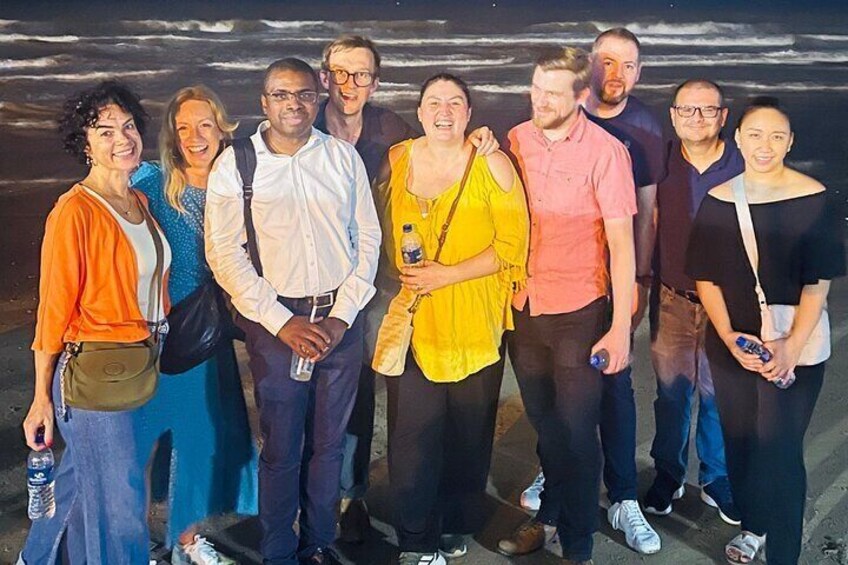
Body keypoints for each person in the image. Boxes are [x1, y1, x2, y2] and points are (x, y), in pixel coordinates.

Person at [314, 35, 501, 544]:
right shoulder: (304, 126)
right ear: (325, 77)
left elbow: (440, 149)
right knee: (340, 396)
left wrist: (479, 138)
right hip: (320, 280)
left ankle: (393, 499)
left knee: (389, 389)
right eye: (340, 73)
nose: (350, 84)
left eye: (361, 74)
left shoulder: (390, 130)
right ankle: (346, 497)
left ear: (375, 83)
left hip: (380, 285)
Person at [205, 58, 381, 565]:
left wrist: (342, 315)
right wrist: (282, 323)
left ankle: (318, 543)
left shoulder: (341, 157)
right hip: (276, 326)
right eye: (281, 95)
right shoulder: (237, 164)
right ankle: (279, 550)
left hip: (340, 324)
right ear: (265, 102)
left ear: (316, 99)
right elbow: (224, 252)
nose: (294, 104)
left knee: (329, 445)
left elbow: (367, 237)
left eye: (304, 94)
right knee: (282, 447)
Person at [375, 73, 528, 565]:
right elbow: (371, 224)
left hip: (474, 320)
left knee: (469, 430)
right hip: (414, 319)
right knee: (411, 434)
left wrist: (448, 274)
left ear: (469, 113)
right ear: (420, 112)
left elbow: (513, 247)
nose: (444, 111)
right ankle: (415, 540)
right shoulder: (398, 159)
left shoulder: (493, 163)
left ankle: (456, 521)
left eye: (455, 103)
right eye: (434, 102)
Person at [687, 97, 845, 565]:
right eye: (755, 134)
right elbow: (705, 277)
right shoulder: (719, 200)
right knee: (740, 444)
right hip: (734, 345)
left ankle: (784, 554)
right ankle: (754, 526)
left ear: (790, 142)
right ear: (738, 138)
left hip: (796, 345)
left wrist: (791, 347)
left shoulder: (815, 198)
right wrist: (730, 339)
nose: (765, 145)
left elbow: (818, 282)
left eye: (777, 136)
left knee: (779, 450)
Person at [19, 81, 171, 564]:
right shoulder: (75, 211)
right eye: (105, 131)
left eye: (127, 127)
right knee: (121, 506)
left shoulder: (139, 202)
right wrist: (40, 398)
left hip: (141, 361)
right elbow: (53, 311)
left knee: (81, 485)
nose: (121, 138)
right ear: (84, 144)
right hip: (95, 373)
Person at [497, 47, 634, 565]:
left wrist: (620, 328)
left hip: (579, 310)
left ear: (581, 96)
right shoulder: (516, 139)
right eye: (536, 89)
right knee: (546, 425)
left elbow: (622, 245)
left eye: (553, 93)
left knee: (577, 434)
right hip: (523, 305)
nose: (541, 101)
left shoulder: (606, 152)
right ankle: (549, 515)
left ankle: (578, 546)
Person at [131, 85, 259, 565]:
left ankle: (186, 542)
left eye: (205, 124)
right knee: (143, 443)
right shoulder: (152, 182)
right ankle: (136, 546)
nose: (194, 136)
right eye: (183, 127)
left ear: (223, 128)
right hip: (157, 330)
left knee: (196, 441)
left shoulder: (242, 185)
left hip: (208, 332)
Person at [642, 79, 742, 525]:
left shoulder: (744, 162)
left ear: (723, 116)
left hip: (731, 304)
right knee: (671, 395)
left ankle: (716, 478)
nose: (696, 118)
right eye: (687, 109)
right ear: (673, 115)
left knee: (719, 396)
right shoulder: (661, 161)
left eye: (707, 110)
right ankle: (669, 473)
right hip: (672, 299)